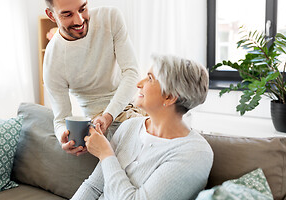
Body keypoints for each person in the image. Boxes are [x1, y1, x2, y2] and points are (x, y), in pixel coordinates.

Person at [72, 55, 214, 200]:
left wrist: (105, 154)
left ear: (170, 97)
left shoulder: (195, 153)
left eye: (150, 78)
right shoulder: (130, 127)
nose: (139, 84)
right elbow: (93, 186)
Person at [40, 0, 143, 156]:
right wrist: (63, 136)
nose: (79, 20)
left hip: (133, 104)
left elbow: (132, 72)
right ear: (51, 15)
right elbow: (60, 119)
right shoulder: (52, 59)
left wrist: (109, 115)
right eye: (67, 14)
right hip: (99, 121)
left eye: (82, 8)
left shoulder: (110, 18)